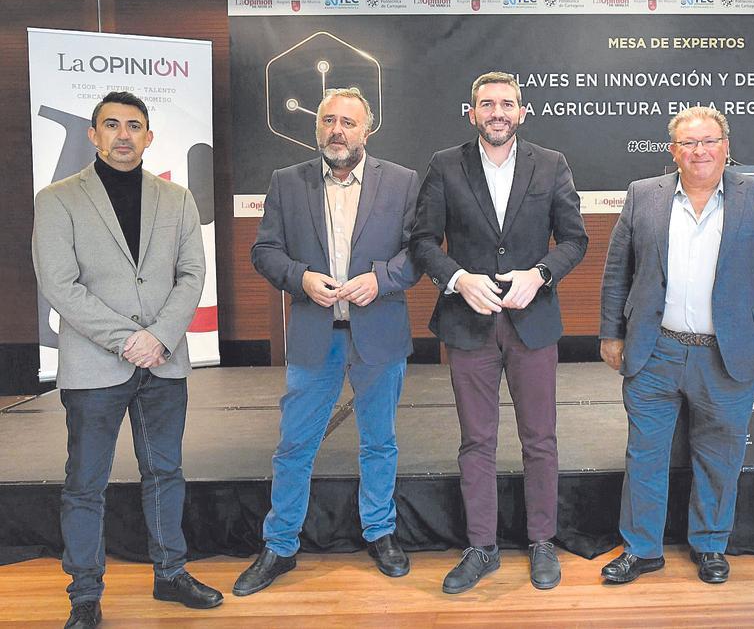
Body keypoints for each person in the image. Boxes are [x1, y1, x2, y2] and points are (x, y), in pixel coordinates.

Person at [32, 91, 220, 628]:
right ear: (92, 135)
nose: (122, 134)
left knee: (166, 472)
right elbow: (60, 286)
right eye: (110, 124)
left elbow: (191, 276)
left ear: (148, 136)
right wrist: (127, 340)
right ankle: (85, 595)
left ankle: (171, 574)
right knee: (85, 483)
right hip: (95, 368)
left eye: (133, 126)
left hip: (163, 362)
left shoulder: (178, 199)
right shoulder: (58, 199)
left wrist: (158, 336)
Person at [598, 106, 754, 585]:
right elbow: (617, 270)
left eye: (709, 141)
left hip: (727, 353)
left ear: (726, 146)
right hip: (654, 350)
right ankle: (642, 549)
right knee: (644, 455)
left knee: (719, 455)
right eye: (688, 143)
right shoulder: (643, 195)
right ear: (674, 151)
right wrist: (610, 332)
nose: (699, 151)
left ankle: (710, 545)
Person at [235, 87, 422, 595]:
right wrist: (301, 278)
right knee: (294, 445)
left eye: (348, 122)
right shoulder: (286, 183)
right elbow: (264, 251)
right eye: (328, 121)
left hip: (377, 334)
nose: (337, 131)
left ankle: (380, 533)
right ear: (317, 127)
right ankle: (280, 545)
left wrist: (381, 279)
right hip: (316, 336)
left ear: (367, 128)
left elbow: (420, 252)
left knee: (379, 442)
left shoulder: (403, 183)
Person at [411, 71, 588, 594]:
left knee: (540, 439)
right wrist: (457, 279)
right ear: (472, 113)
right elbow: (422, 241)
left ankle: (541, 542)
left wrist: (541, 274)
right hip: (468, 325)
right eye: (487, 104)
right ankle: (481, 547)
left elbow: (574, 240)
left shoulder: (551, 164)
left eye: (507, 103)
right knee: (476, 441)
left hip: (533, 323)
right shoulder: (445, 165)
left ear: (522, 112)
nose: (497, 112)